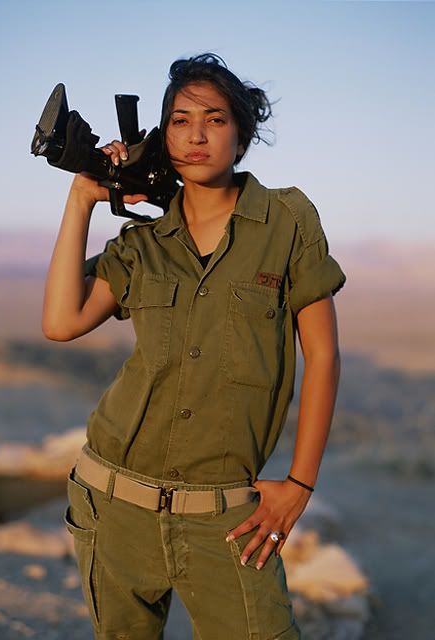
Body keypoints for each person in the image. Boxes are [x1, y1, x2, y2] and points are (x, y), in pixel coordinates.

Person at [42, 53, 346, 640]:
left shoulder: (287, 221)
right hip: (114, 503)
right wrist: (82, 198)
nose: (197, 135)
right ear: (164, 136)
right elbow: (61, 321)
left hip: (226, 518)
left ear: (241, 134)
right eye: (181, 120)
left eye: (215, 118)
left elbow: (325, 357)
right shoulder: (144, 244)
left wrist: (300, 485)